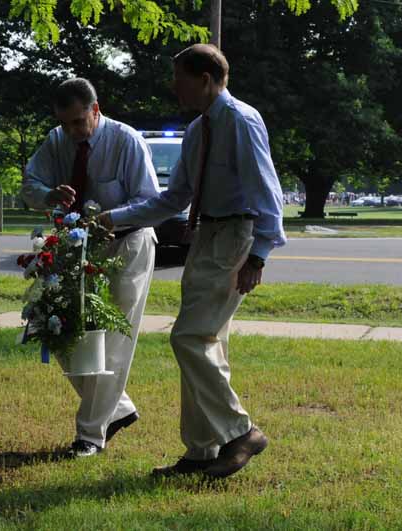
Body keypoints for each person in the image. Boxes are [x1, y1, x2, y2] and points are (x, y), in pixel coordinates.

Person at [99, 44, 286, 478]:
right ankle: (201, 452)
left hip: (235, 234)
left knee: (189, 337)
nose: (173, 87)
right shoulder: (199, 130)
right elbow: (174, 197)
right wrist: (115, 218)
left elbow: (266, 189)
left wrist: (259, 253)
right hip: (205, 236)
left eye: (179, 77)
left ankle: (241, 432)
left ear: (204, 78)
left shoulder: (240, 120)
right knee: (204, 344)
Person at [22, 78, 161, 458]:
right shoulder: (55, 141)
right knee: (59, 331)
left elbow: (150, 200)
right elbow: (29, 184)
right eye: (64, 123)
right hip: (76, 247)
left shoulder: (126, 140)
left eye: (78, 123)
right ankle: (117, 409)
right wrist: (48, 194)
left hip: (127, 244)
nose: (71, 131)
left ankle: (90, 436)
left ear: (95, 111)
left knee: (112, 343)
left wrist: (110, 219)